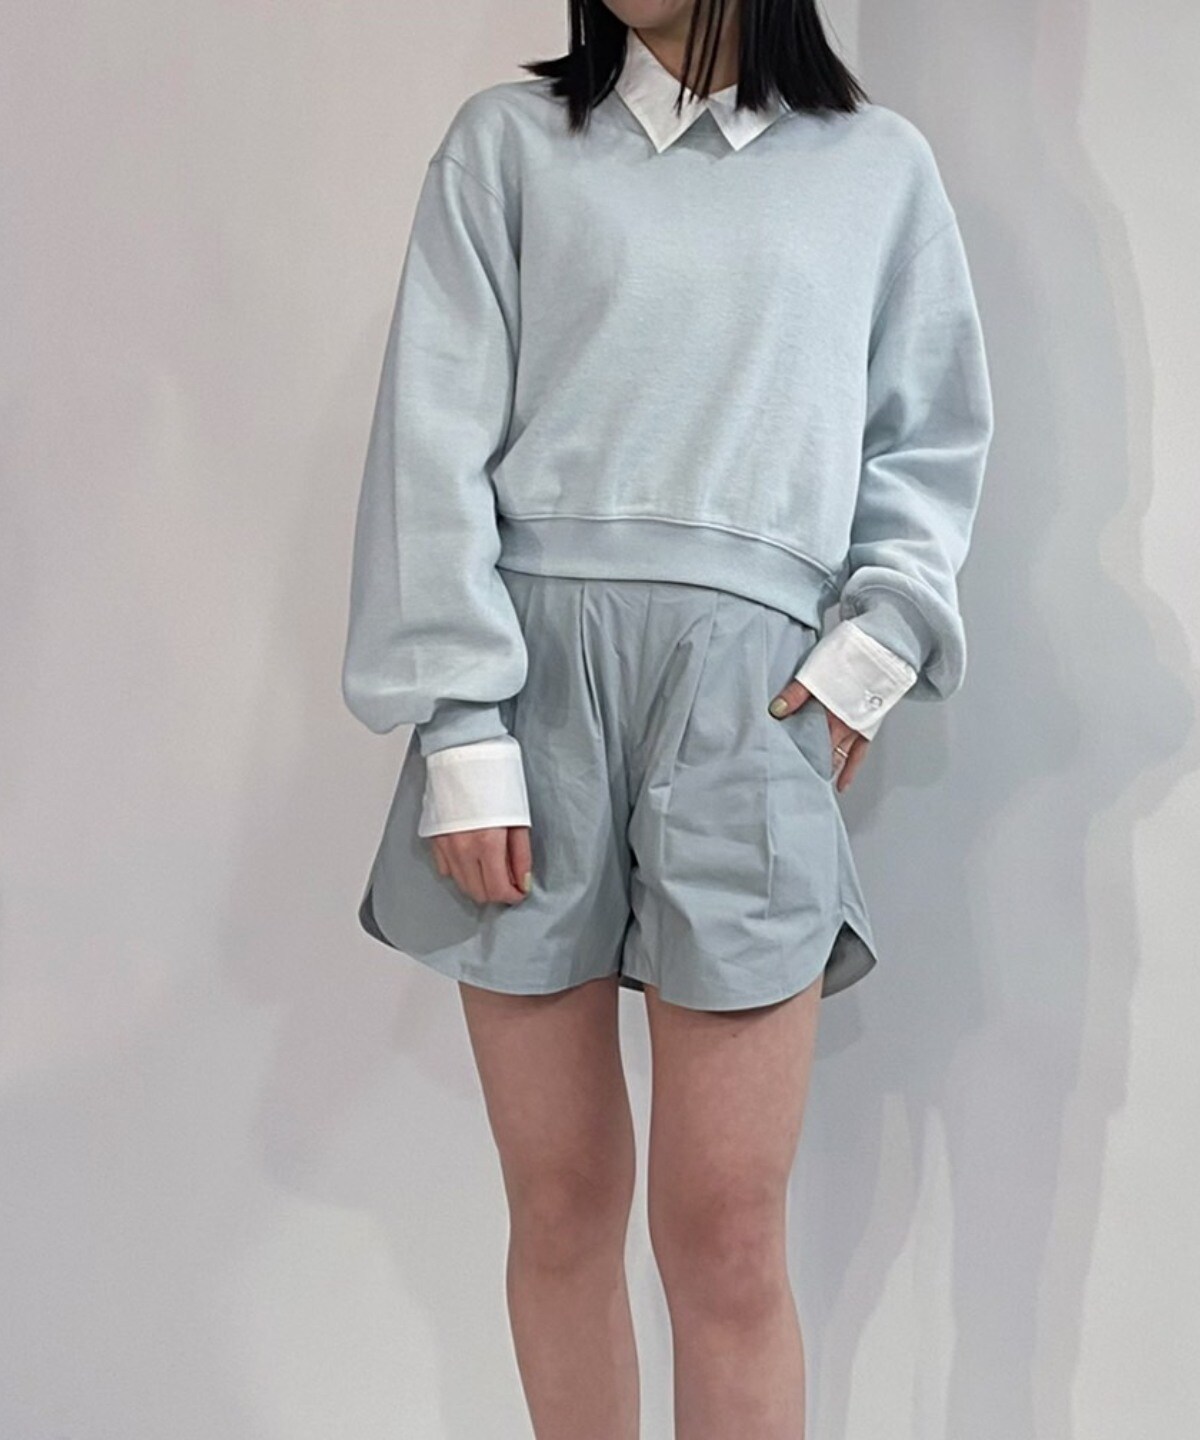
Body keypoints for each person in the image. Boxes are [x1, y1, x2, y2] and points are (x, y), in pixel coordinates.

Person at [341, 1, 994, 1434]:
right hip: (529, 694)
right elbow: (431, 439)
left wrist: (868, 662)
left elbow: (928, 443)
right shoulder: (508, 146)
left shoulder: (876, 169)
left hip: (751, 704)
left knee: (729, 1237)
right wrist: (460, 728)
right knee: (562, 1203)